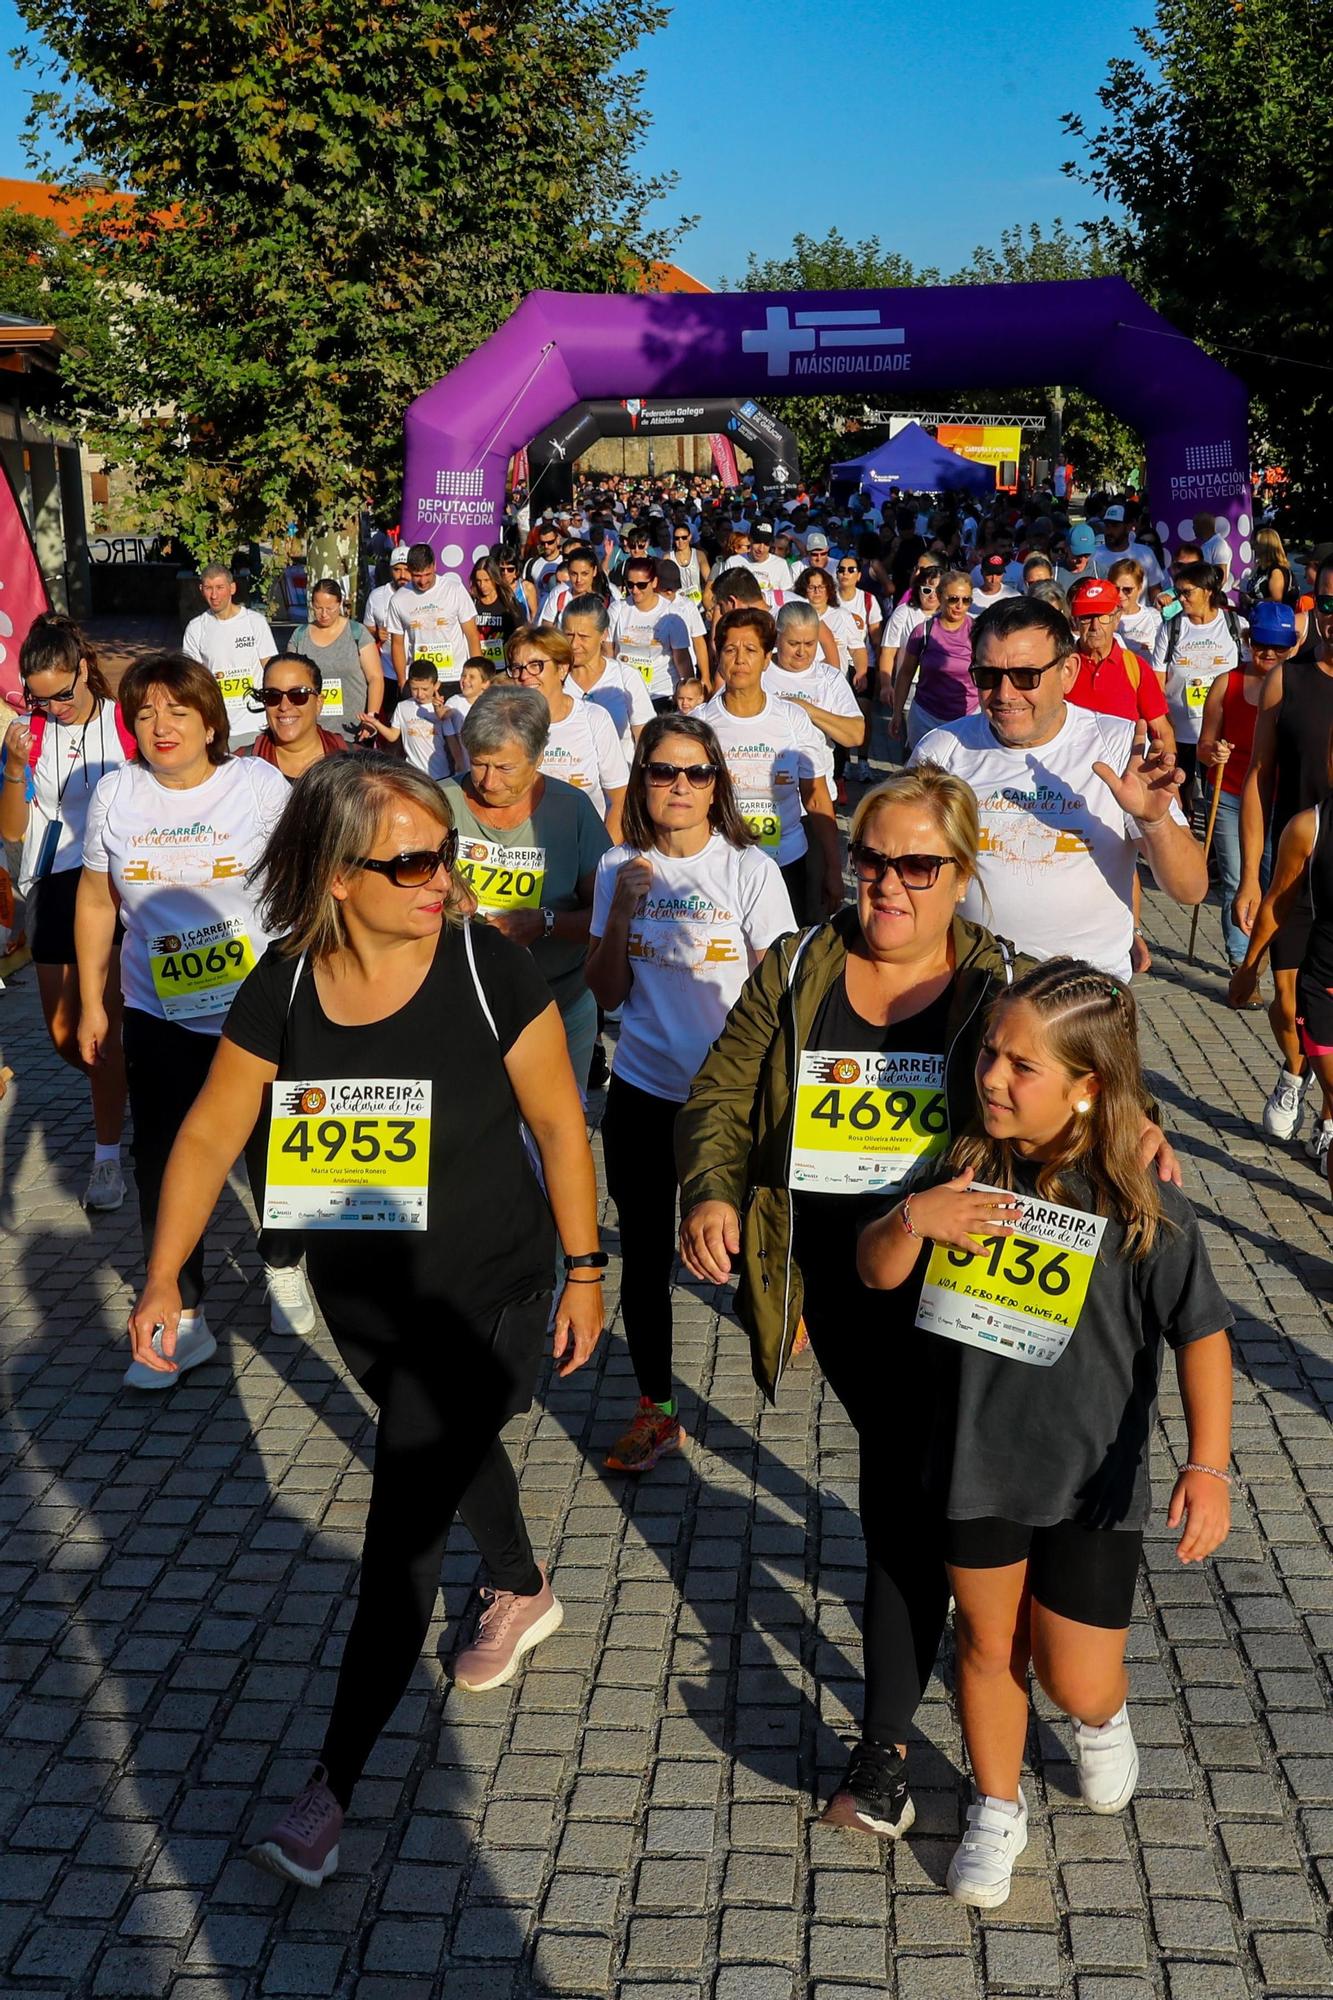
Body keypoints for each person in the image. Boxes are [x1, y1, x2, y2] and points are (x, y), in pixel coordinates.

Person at [124, 758, 603, 1887]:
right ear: (340, 875)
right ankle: (524, 1582)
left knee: (403, 1520)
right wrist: (160, 1278)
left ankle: (330, 1785)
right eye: (414, 861)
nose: (444, 876)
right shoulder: (283, 985)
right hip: (362, 1298)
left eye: (447, 853)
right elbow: (204, 1134)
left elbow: (560, 1121)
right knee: (435, 1443)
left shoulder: (490, 967)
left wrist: (586, 1267)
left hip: (489, 1283)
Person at [857, 959, 1232, 1908]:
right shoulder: (960, 1164)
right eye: (989, 1053)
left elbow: (1202, 1331)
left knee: (1075, 1678)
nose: (991, 1076)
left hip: (1087, 1484)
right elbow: (873, 1271)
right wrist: (912, 1218)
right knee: (987, 1647)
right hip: (974, 1466)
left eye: (1021, 1066)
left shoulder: (1137, 1195)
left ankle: (1101, 1725)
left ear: (1087, 1085)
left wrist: (1208, 1466)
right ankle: (995, 1807)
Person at [74, 652, 307, 1379]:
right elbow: (93, 900)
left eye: (178, 711)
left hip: (260, 1006)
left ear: (211, 721)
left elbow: (305, 877)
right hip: (159, 1011)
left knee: (273, 1145)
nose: (161, 726)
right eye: (144, 714)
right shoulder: (115, 794)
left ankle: (284, 1258)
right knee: (165, 1160)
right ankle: (183, 1311)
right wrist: (92, 1000)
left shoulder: (257, 784)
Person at [587, 715, 794, 1474]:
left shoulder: (748, 870)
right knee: (643, 1258)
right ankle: (656, 1410)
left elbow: (779, 998)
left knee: (742, 1246)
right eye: (662, 772)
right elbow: (606, 993)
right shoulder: (619, 865)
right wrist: (618, 914)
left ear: (716, 785)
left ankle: (782, 1300)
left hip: (727, 1102)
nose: (678, 786)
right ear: (641, 780)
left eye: (695, 773)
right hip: (641, 1087)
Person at [911, 597, 1208, 979]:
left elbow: (1192, 889)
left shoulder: (1118, 746)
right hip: (973, 986)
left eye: (1026, 676)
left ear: (1068, 671)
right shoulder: (941, 752)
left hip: (1086, 996)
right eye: (987, 676)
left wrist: (1153, 822)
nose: (1004, 694)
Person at [1, 614, 133, 1208]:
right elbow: (11, 829)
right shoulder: (28, 731)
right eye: (39, 696)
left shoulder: (125, 718)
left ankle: (108, 1159)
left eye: (61, 693)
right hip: (52, 881)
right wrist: (12, 766)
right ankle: (136, 1085)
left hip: (114, 883)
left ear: (83, 670)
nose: (52, 706)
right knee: (61, 1035)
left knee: (97, 1027)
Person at [443, 686, 611, 1089]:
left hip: (558, 1003)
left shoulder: (571, 810)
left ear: (537, 758)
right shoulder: (438, 801)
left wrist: (546, 923)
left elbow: (608, 916)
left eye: (504, 768)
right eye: (479, 763)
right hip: (459, 1002)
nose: (487, 781)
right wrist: (445, 897)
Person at [1234, 562, 1333, 1144]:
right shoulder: (1286, 682)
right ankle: (1294, 1071)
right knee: (1287, 996)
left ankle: (1327, 1111)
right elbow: (1257, 777)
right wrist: (1249, 876)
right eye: (1325, 603)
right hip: (1293, 864)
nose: (1330, 614)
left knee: (1324, 1008)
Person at [699, 607, 841, 923]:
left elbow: (816, 796)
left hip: (787, 861)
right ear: (718, 656)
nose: (739, 659)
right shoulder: (699, 724)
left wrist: (833, 867)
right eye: (730, 650)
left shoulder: (793, 719)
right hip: (721, 866)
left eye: (750, 650)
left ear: (766, 659)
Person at [1198, 600, 1291, 975]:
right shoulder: (1227, 683)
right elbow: (1204, 745)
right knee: (1237, 879)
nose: (1267, 653)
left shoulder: (1297, 687)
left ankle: (1267, 948)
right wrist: (1213, 752)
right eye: (1259, 644)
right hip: (1232, 794)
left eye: (1278, 647)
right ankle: (1242, 963)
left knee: (1274, 882)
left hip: (1280, 800)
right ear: (1248, 640)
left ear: (1293, 646)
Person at [503, 627, 629, 842]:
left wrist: (602, 861)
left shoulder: (594, 719)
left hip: (585, 847)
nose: (524, 676)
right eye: (516, 668)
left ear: (562, 669)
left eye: (536, 665)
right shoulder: (505, 725)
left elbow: (619, 799)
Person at [1152, 562, 1245, 807]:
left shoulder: (1235, 625)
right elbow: (1156, 681)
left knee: (1219, 800)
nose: (1181, 599)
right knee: (1181, 801)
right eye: (1178, 592)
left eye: (1187, 592)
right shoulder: (1171, 627)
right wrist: (1165, 724)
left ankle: (1214, 845)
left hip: (1222, 733)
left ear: (1208, 591)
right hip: (1181, 731)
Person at [1068, 578, 1173, 746]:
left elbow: (1161, 729)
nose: (1095, 626)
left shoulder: (1136, 667)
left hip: (1126, 770)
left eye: (1103, 617)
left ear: (1117, 619)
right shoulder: (1060, 668)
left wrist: (1168, 764)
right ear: (1075, 621)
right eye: (1087, 617)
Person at [182, 563, 277, 749]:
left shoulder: (255, 622)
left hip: (254, 723)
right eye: (208, 588)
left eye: (220, 587)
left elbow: (272, 668)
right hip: (218, 725)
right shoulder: (196, 628)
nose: (214, 595)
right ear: (201, 590)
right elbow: (191, 680)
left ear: (232, 588)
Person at [891, 571, 977, 750]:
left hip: (967, 716)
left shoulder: (978, 632)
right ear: (940, 597)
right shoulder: (922, 631)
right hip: (925, 715)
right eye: (953, 599)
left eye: (966, 600)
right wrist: (896, 713)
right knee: (922, 774)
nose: (959, 605)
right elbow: (906, 673)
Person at [562, 596, 655, 753]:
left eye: (583, 636)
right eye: (569, 635)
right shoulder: (554, 678)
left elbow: (644, 740)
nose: (574, 644)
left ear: (604, 634)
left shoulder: (626, 677)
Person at [387, 543, 482, 687]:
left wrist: (477, 676)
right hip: (420, 680)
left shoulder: (455, 589)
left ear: (435, 566)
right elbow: (397, 644)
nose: (423, 581)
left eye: (427, 574)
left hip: (454, 676)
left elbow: (472, 636)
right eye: (417, 576)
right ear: (409, 571)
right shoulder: (398, 599)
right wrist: (401, 680)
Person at [246, 654, 349, 781]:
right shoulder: (240, 769)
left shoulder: (357, 766)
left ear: (319, 703)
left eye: (297, 695)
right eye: (272, 696)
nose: (284, 706)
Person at [607, 559, 694, 709]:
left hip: (661, 693)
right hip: (625, 691)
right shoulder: (617, 609)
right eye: (630, 584)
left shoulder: (672, 613)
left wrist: (690, 693)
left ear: (654, 582)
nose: (635, 590)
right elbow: (608, 650)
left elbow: (682, 660)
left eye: (641, 585)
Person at [363, 545, 411, 714]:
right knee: (390, 720)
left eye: (407, 569)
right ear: (390, 570)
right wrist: (376, 633)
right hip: (387, 671)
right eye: (397, 570)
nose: (403, 575)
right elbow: (367, 628)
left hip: (417, 672)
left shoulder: (421, 595)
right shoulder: (377, 596)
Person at [1092, 504, 1167, 591]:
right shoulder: (1094, 555)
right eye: (1107, 526)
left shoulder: (1146, 554)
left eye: (1115, 526)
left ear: (1128, 527)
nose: (1109, 531)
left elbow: (1155, 590)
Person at [469, 555, 527, 665]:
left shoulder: (508, 602)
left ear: (495, 579)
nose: (482, 585)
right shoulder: (471, 602)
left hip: (504, 665)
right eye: (479, 581)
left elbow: (522, 631)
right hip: (480, 664)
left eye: (487, 580)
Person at [1110, 559, 1164, 672]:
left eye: (1127, 590)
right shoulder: (1103, 618)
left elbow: (1162, 659)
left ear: (1139, 588)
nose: (1120, 595)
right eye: (1115, 589)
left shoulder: (1153, 617)